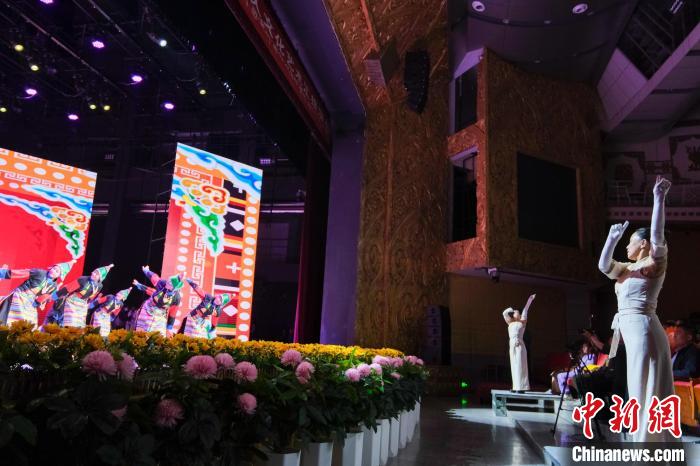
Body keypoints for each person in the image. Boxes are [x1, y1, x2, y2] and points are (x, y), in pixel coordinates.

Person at [598, 175, 675, 442]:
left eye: (630, 241)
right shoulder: (625, 269)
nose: (627, 245)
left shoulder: (653, 265)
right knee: (638, 388)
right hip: (632, 332)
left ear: (643, 243)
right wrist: (612, 239)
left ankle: (647, 448)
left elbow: (657, 236)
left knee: (644, 390)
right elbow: (603, 266)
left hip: (644, 330)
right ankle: (646, 445)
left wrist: (658, 198)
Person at [0, 260, 75, 327]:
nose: (53, 271)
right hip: (20, 295)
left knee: (31, 321)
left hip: (30, 302)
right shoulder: (40, 273)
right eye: (54, 268)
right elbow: (21, 273)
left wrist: (37, 303)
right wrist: (2, 273)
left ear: (60, 275)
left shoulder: (53, 286)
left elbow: (45, 297)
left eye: (57, 271)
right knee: (13, 313)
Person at [45, 264, 113, 328]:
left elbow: (93, 295)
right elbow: (67, 288)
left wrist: (89, 304)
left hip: (82, 305)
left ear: (100, 278)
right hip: (72, 302)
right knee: (69, 322)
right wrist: (53, 297)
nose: (93, 274)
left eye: (97, 274)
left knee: (78, 325)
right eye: (94, 272)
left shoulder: (99, 286)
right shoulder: (83, 280)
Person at [133, 266, 183, 337]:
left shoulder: (177, 297)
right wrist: (146, 271)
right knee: (140, 335)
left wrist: (169, 328)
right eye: (168, 283)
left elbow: (172, 313)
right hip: (147, 311)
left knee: (159, 338)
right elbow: (153, 277)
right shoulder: (162, 283)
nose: (168, 285)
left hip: (160, 317)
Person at [502, 294, 536, 392]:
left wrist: (530, 300)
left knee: (520, 365)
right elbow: (504, 313)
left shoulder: (522, 322)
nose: (514, 313)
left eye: (516, 312)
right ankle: (515, 387)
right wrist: (511, 310)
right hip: (512, 345)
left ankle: (522, 387)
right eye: (513, 313)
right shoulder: (509, 322)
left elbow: (525, 309)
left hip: (519, 345)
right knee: (514, 365)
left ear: (520, 315)